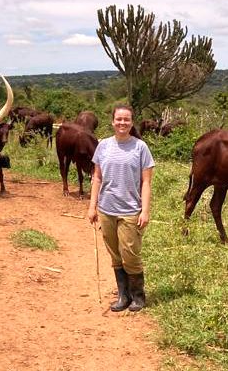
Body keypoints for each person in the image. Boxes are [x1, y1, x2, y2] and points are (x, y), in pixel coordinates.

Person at [87, 105, 154, 312]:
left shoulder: (140, 147)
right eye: (119, 119)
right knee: (115, 255)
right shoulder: (103, 146)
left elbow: (146, 182)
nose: (122, 123)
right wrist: (92, 206)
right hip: (106, 209)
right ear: (112, 121)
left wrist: (145, 210)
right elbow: (97, 178)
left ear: (132, 123)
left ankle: (138, 296)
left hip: (130, 211)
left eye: (126, 119)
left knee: (130, 254)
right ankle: (123, 296)